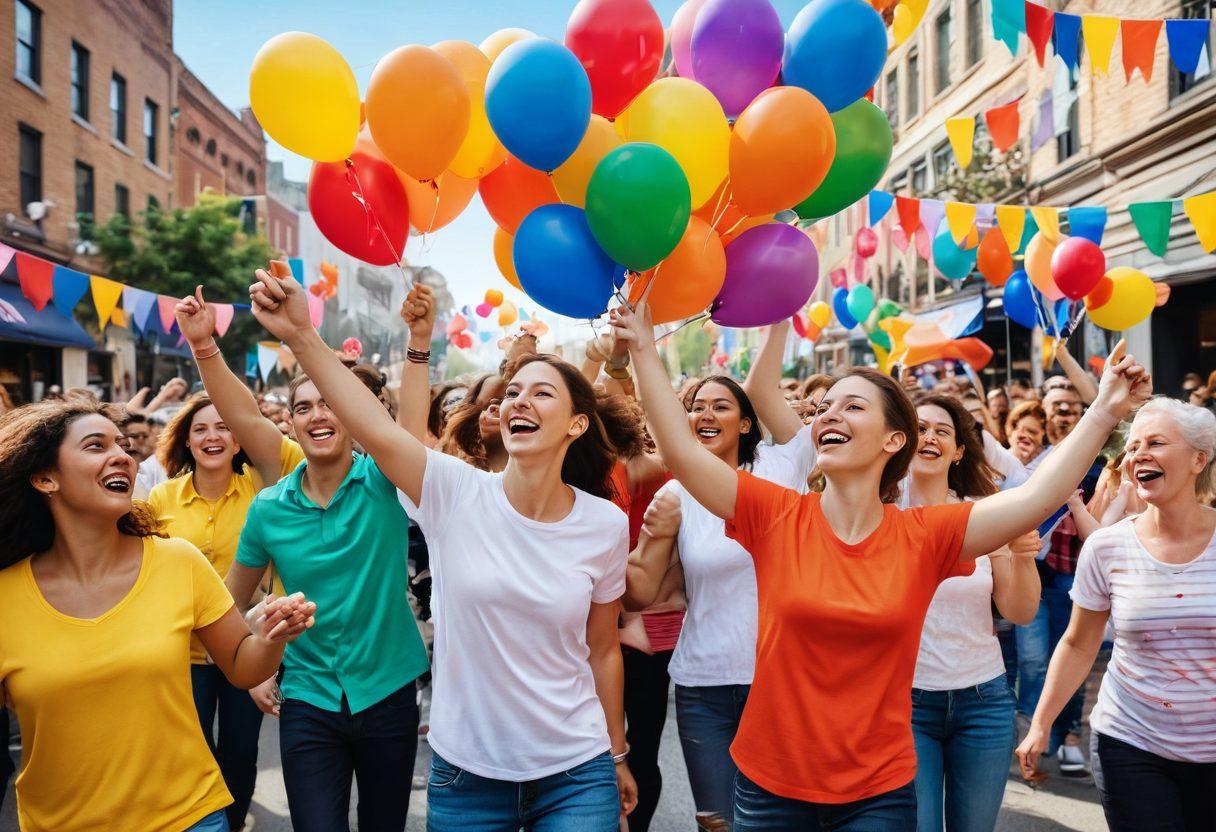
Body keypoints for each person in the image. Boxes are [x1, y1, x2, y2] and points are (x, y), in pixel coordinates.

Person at [613, 301, 1150, 830]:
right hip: (770, 783)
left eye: (852, 406)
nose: (828, 414)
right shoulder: (773, 512)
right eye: (826, 409)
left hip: (879, 791)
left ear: (894, 440)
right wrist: (640, 347)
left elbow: (1035, 498)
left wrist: (1104, 410)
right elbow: (682, 453)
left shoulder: (924, 536)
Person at [249, 270, 638, 831]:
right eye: (513, 393)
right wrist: (301, 337)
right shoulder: (454, 491)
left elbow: (603, 650)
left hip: (576, 769)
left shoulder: (603, 523)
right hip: (467, 775)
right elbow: (382, 433)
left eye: (541, 392)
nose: (518, 402)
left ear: (577, 424)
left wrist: (617, 753)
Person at [174, 285, 429, 832]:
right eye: (302, 407)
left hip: (387, 692)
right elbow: (229, 604)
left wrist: (420, 341)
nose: (317, 415)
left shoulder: (385, 479)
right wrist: (256, 659)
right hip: (309, 699)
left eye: (330, 403)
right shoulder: (269, 507)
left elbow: (408, 432)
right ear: (289, 423)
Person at [0, 398, 314, 832]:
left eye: (124, 446)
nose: (122, 457)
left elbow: (242, 667)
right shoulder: (6, 597)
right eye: (95, 446)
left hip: (188, 817)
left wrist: (271, 637)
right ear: (44, 477)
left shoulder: (177, 562)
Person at [625, 321, 816, 829]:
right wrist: (631, 542)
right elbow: (639, 593)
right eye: (695, 406)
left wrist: (779, 316)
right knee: (717, 821)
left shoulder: (783, 466)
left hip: (778, 680)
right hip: (703, 682)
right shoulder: (676, 493)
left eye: (720, 406)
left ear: (747, 424)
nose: (704, 414)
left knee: (779, 818)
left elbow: (760, 386)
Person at [1015, 397, 1216, 830]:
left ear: (1199, 458)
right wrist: (1041, 725)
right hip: (1131, 741)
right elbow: (1078, 642)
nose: (1139, 453)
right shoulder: (1107, 546)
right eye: (1135, 445)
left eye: (1157, 443)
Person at [148, 391, 305, 831]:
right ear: (187, 442)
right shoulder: (160, 500)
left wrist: (268, 654)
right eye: (200, 429)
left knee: (239, 753)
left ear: (239, 442)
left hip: (245, 648)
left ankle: (232, 824)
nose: (212, 436)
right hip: (182, 656)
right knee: (191, 752)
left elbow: (282, 570)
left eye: (223, 427)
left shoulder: (265, 491)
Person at [904, 395, 1041, 832]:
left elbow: (1019, 611)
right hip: (904, 703)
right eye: (919, 429)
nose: (929, 438)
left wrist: (1021, 555)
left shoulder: (982, 513)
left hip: (984, 702)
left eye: (942, 431)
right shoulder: (874, 513)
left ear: (959, 450)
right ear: (898, 441)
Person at [1019, 379, 1103, 774]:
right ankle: (1039, 728)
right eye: (1058, 406)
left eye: (1073, 405)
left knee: (1071, 653)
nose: (1066, 411)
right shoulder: (1031, 457)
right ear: (1045, 411)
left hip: (1078, 572)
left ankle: (1066, 735)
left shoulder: (1097, 460)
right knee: (1035, 660)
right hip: (1038, 571)